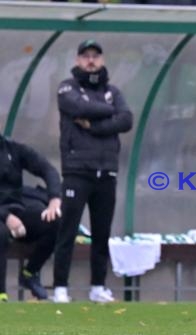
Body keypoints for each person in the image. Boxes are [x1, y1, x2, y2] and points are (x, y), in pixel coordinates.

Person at [52, 39, 133, 303]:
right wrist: (109, 115)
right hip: (77, 170)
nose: (90, 60)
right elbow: (78, 107)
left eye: (95, 56)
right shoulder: (67, 87)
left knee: (102, 232)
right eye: (85, 55)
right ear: (77, 60)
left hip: (106, 171)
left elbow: (126, 119)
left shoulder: (112, 91)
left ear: (102, 60)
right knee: (68, 229)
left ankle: (98, 286)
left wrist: (92, 126)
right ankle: (60, 287)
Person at [0, 136, 62, 302]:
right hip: (3, 215)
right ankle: (1, 294)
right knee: (1, 233)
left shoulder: (14, 148)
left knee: (54, 221)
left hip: (17, 207)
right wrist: (6, 216)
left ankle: (29, 273)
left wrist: (55, 199)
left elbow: (48, 169)